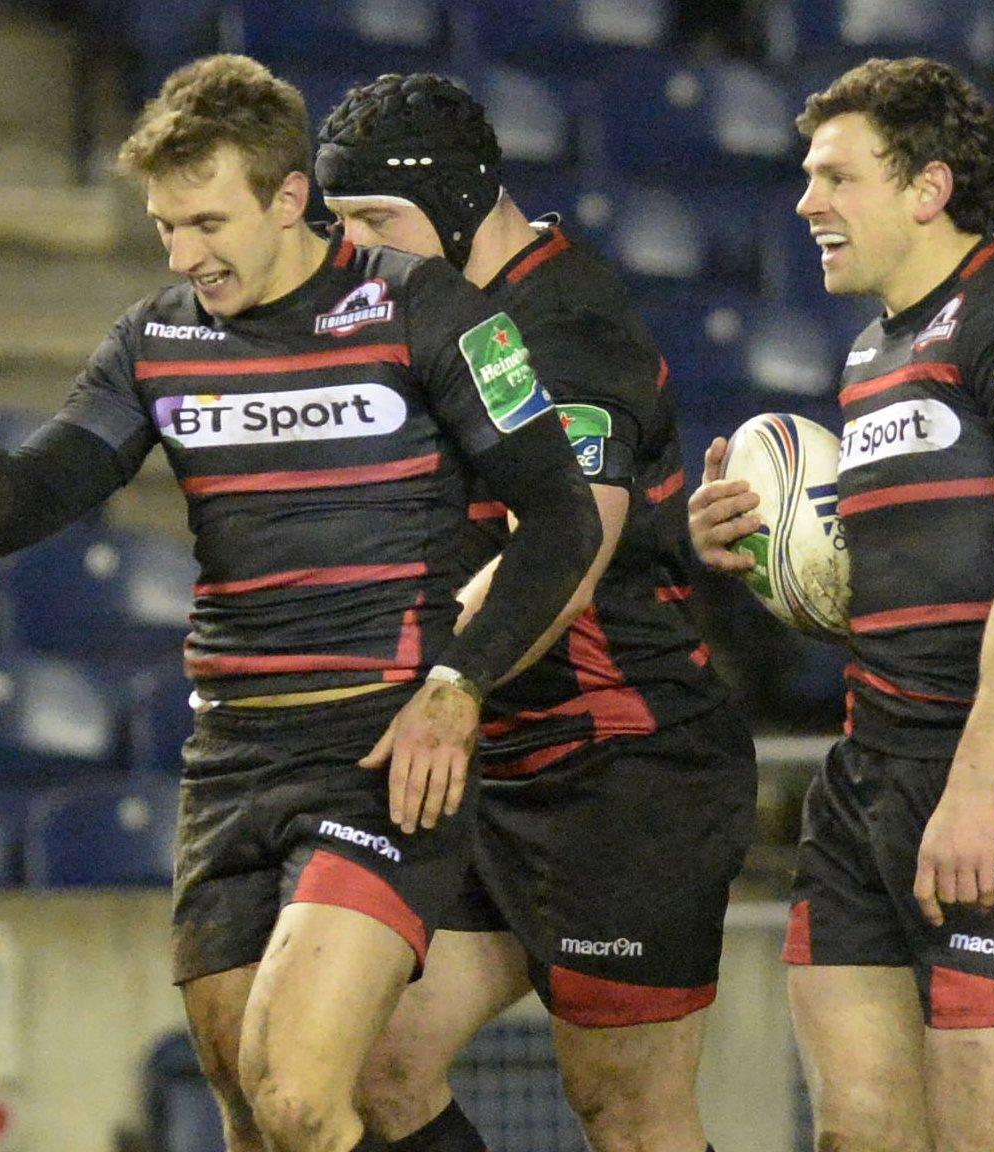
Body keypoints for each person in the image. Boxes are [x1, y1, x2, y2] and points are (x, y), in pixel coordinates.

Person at [0, 54, 599, 1152]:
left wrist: (456, 684)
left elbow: (565, 522)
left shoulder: (420, 309)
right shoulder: (156, 342)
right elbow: (7, 512)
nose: (185, 255)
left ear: (289, 197)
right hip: (229, 763)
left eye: (206, 222)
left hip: (379, 749)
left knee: (296, 1095)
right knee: (255, 1117)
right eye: (162, 229)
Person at [312, 74, 756, 1152]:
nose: (355, 250)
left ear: (460, 202)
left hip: (620, 773)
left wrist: (426, 673)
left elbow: (558, 555)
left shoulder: (564, 328)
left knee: (624, 1108)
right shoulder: (437, 319)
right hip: (488, 764)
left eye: (375, 219)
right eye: (341, 225)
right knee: (375, 1066)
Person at [688, 57, 994, 1152]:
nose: (805, 203)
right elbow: (913, 586)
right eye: (803, 176)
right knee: (856, 1134)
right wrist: (772, 561)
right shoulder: (870, 353)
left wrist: (974, 784)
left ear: (926, 188)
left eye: (834, 176)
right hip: (865, 781)